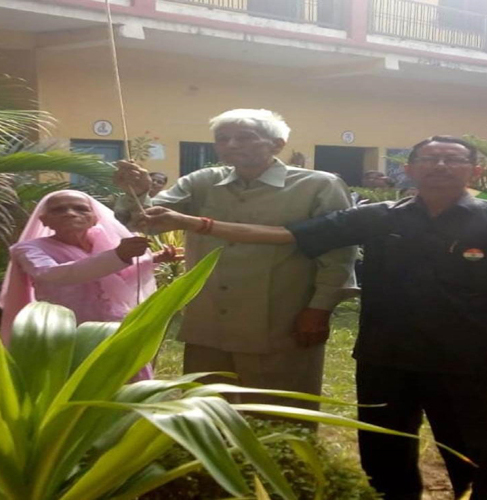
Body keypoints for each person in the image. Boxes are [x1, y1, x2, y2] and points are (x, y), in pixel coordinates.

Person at [133, 136, 487, 500]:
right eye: (430, 159)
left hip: (466, 358)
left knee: (474, 451)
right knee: (383, 452)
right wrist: (196, 223)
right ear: (409, 169)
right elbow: (286, 236)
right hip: (384, 356)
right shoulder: (381, 217)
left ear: (476, 171)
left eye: (453, 159)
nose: (440, 166)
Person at [114, 108, 357, 410]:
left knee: (279, 410)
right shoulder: (202, 182)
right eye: (222, 138)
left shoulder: (318, 185)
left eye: (245, 137)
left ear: (277, 144)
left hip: (282, 315)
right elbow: (145, 222)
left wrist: (319, 308)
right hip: (209, 317)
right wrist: (137, 193)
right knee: (207, 406)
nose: (231, 144)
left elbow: (338, 252)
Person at [0, 190, 179, 380]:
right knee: (78, 383)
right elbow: (51, 274)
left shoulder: (103, 242)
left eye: (80, 209)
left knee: (127, 382)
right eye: (59, 210)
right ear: (44, 220)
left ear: (94, 218)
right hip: (66, 332)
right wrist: (118, 255)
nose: (70, 213)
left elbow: (117, 279)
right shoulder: (28, 249)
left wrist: (155, 258)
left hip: (114, 325)